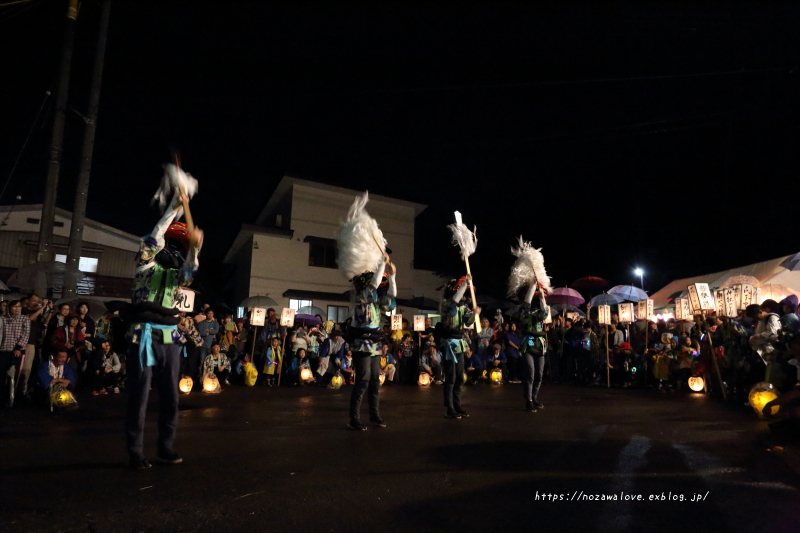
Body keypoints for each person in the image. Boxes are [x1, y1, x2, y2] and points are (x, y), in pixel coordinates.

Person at [125, 164, 203, 470]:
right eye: (172, 247)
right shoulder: (145, 264)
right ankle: (135, 450)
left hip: (170, 337)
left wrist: (196, 248)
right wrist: (173, 208)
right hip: (142, 334)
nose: (174, 251)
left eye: (178, 248)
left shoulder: (176, 276)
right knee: (139, 397)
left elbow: (191, 270)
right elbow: (155, 236)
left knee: (171, 397)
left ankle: (166, 447)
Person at [336, 193, 396, 430]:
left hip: (374, 343)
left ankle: (374, 414)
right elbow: (373, 284)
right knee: (361, 381)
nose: (376, 282)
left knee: (374, 381)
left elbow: (391, 300)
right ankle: (354, 418)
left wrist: (393, 276)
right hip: (362, 343)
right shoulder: (362, 294)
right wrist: (382, 263)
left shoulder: (376, 298)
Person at [437, 275, 478, 419]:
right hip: (449, 343)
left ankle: (457, 404)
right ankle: (449, 407)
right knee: (451, 377)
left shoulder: (464, 307)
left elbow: (468, 323)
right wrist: (464, 283)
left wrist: (474, 314)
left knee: (460, 377)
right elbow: (454, 301)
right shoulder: (447, 304)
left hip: (460, 343)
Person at [1, 300, 31, 397]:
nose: (17, 309)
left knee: (15, 375)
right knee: (1, 374)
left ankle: (13, 396)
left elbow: (25, 335)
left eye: (19, 306)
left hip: (17, 351)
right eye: (14, 306)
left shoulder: (24, 319)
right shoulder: (2, 318)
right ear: (9, 307)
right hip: (3, 349)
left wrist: (18, 347)